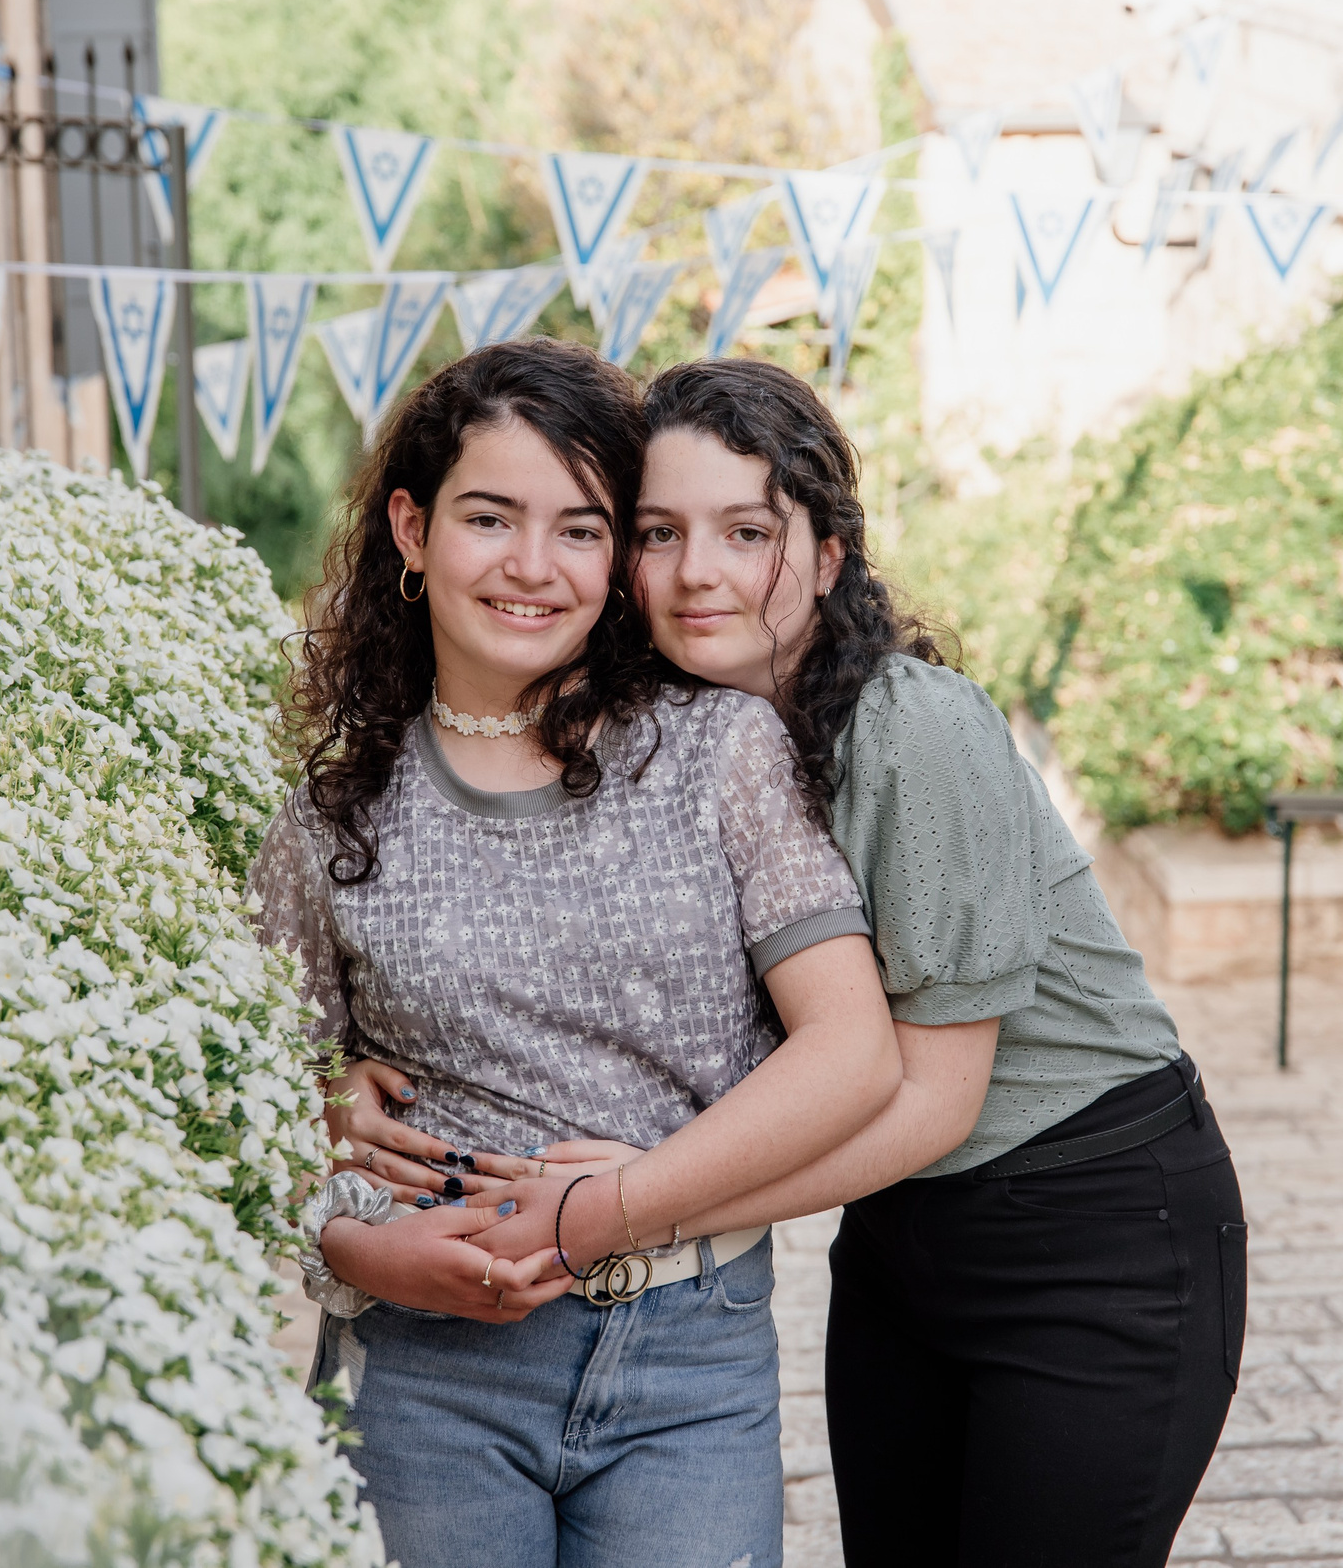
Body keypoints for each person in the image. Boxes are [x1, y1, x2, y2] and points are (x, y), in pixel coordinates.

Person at [340, 356, 1245, 1568]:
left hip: (1090, 1229)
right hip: (900, 1238)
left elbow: (930, 1094)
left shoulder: (911, 726)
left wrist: (622, 1208)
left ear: (828, 556)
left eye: (748, 529)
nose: (698, 571)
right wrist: (342, 1069)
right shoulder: (679, 729)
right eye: (659, 532)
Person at [250, 339, 901, 1568]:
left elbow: (853, 1050)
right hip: (425, 1368)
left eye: (583, 529)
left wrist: (616, 1205)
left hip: (688, 1351)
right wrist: (352, 1238)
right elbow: (263, 1118)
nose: (532, 567)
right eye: (489, 517)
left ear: (617, 561)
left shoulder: (718, 753)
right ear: (409, 525)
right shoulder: (329, 816)